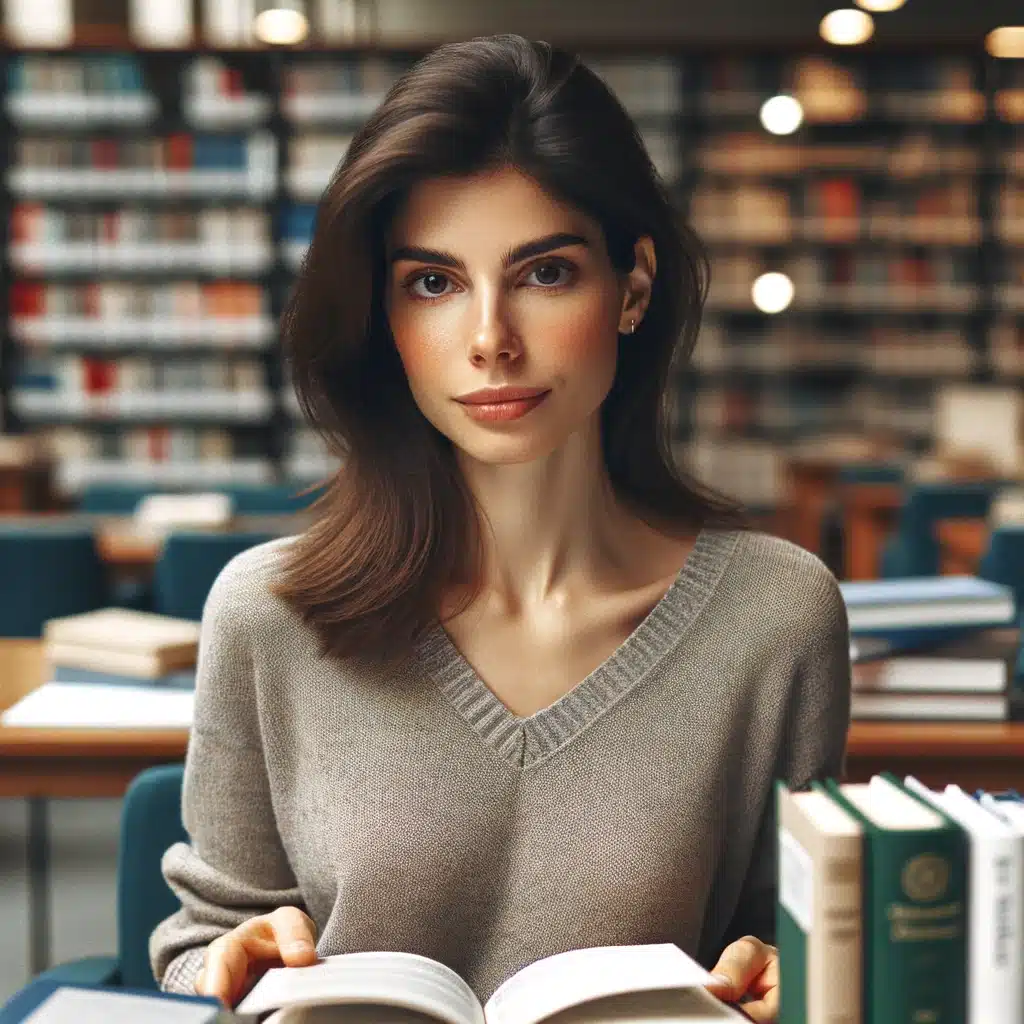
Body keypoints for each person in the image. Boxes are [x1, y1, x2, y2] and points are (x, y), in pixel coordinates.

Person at [150, 34, 850, 1024]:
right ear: (385, 316)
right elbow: (200, 942)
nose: (489, 338)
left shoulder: (777, 616)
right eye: (432, 282)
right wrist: (224, 964)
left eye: (545, 272)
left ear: (633, 287)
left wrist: (799, 975)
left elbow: (788, 942)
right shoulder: (267, 615)